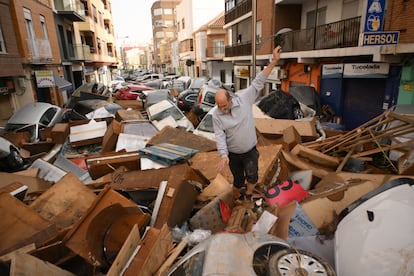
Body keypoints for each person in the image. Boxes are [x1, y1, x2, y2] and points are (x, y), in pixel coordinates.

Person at [212, 46, 282, 200]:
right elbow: (219, 135)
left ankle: (249, 195)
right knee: (238, 179)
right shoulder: (216, 115)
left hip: (250, 150)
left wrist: (274, 61)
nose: (222, 109)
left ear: (230, 99)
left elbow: (258, 82)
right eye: (219, 106)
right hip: (233, 154)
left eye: (224, 105)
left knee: (252, 176)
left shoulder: (244, 99)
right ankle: (236, 197)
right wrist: (223, 155)